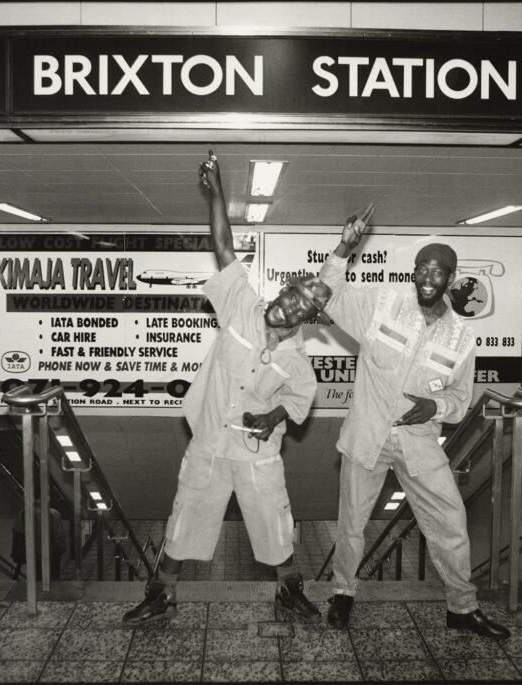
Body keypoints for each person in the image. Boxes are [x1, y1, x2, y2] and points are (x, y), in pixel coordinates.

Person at [123, 152, 333, 625]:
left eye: (301, 309)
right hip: (210, 445)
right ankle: (161, 595)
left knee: (275, 526)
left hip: (258, 455)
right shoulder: (241, 304)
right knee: (184, 520)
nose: (290, 309)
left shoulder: (298, 363)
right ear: (279, 293)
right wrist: (217, 191)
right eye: (290, 298)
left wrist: (272, 417)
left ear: (306, 320)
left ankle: (288, 592)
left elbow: (297, 405)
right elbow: (223, 244)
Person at [317, 211, 511, 639]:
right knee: (352, 524)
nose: (428, 277)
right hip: (368, 435)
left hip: (418, 443)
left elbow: (461, 401)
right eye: (422, 269)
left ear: (451, 278)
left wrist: (435, 406)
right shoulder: (383, 304)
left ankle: (462, 608)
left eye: (437, 271)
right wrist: (344, 246)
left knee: (452, 521)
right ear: (414, 271)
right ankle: (343, 595)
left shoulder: (462, 337)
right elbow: (327, 297)